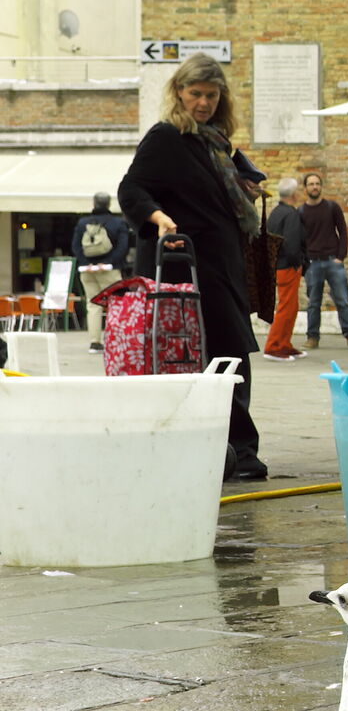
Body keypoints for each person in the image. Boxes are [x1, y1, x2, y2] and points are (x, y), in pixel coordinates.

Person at [115, 53, 269, 481]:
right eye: (195, 93)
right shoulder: (166, 136)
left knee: (233, 353)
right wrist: (158, 216)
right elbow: (131, 188)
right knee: (190, 355)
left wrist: (243, 190)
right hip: (185, 268)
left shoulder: (216, 141)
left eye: (211, 95)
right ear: (179, 93)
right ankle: (209, 442)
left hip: (222, 265)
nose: (203, 102)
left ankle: (240, 448)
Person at [298, 170, 348, 349]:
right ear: (305, 188)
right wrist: (304, 262)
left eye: (317, 184)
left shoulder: (332, 207)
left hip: (333, 261)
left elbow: (343, 231)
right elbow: (298, 239)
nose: (315, 187)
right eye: (311, 184)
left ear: (321, 187)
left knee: (343, 300)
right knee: (313, 303)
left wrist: (341, 257)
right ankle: (312, 337)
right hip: (312, 263)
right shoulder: (300, 211)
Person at [69, 191, 132, 352]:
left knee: (93, 305)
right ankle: (115, 340)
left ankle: (95, 342)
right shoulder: (118, 223)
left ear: (94, 203)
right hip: (110, 271)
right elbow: (123, 247)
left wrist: (87, 263)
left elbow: (76, 246)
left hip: (87, 271)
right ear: (109, 204)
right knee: (115, 304)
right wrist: (108, 263)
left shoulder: (83, 223)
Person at [261, 179, 308, 359]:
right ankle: (273, 346)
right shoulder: (290, 214)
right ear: (294, 194)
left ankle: (284, 343)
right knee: (286, 307)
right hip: (288, 266)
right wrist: (297, 263)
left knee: (291, 306)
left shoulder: (276, 213)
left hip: (278, 264)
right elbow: (292, 242)